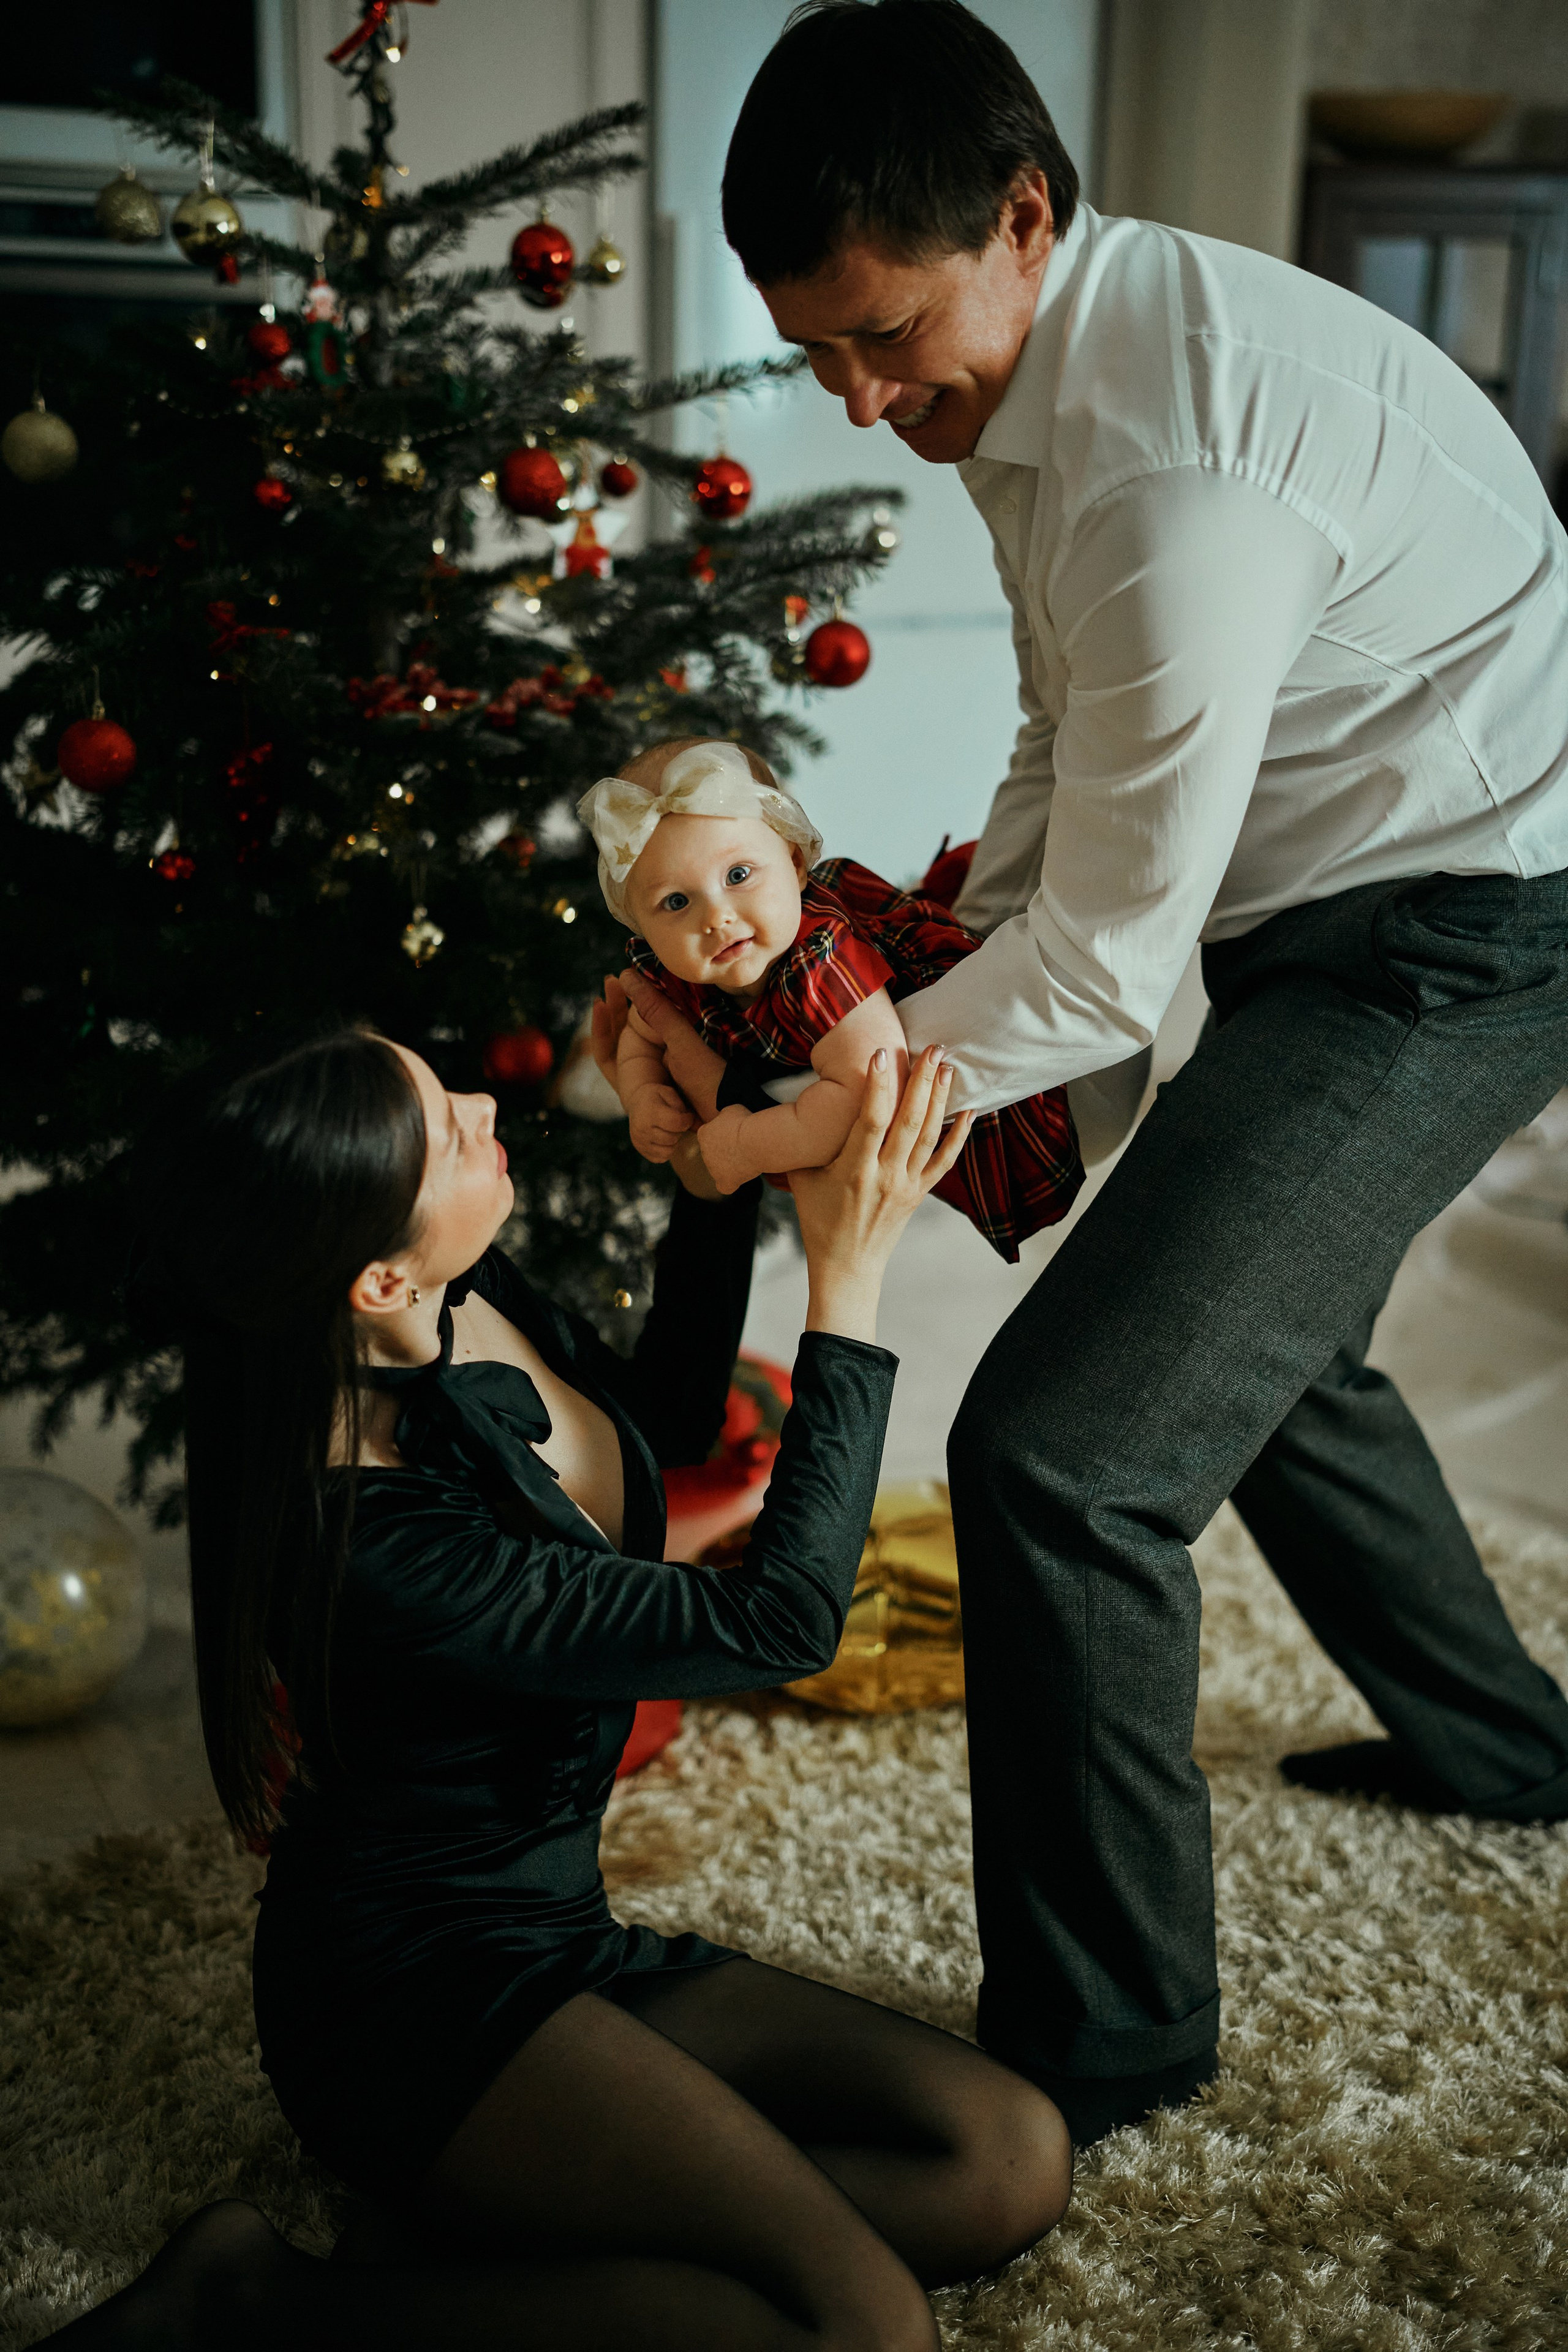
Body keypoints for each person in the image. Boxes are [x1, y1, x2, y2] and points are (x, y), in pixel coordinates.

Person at [715, 0, 1568, 2147]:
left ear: (1022, 216)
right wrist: (921, 991)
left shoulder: (1176, 458)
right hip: (1323, 897)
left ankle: (1107, 2043)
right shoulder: (1047, 383)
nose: (863, 400)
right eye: (817, 358)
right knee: (1268, 1355)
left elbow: (1103, 969)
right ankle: (1516, 1758)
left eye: (884, 338)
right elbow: (1063, 734)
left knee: (1067, 1455)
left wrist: (828, 1101)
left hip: (1467, 929)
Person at [50, 1016, 1069, 2350]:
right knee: (863, 2332)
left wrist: (718, 1166)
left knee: (1004, 2157)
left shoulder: (450, 1292)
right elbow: (777, 1622)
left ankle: (516, 2233)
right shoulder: (372, 1545)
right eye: (445, 1131)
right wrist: (847, 1282)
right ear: (373, 1277)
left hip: (561, 1934)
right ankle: (259, 2301)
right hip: (414, 2009)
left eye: (444, 1089)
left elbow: (665, 1419)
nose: (484, 1102)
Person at [580, 733, 1081, 1257]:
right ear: (638, 924)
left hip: (1001, 1089)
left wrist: (747, 1145)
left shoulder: (821, 962)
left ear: (796, 863)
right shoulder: (671, 973)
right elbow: (642, 1035)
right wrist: (642, 1093)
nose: (716, 917)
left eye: (738, 875)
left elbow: (867, 1098)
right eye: (676, 902)